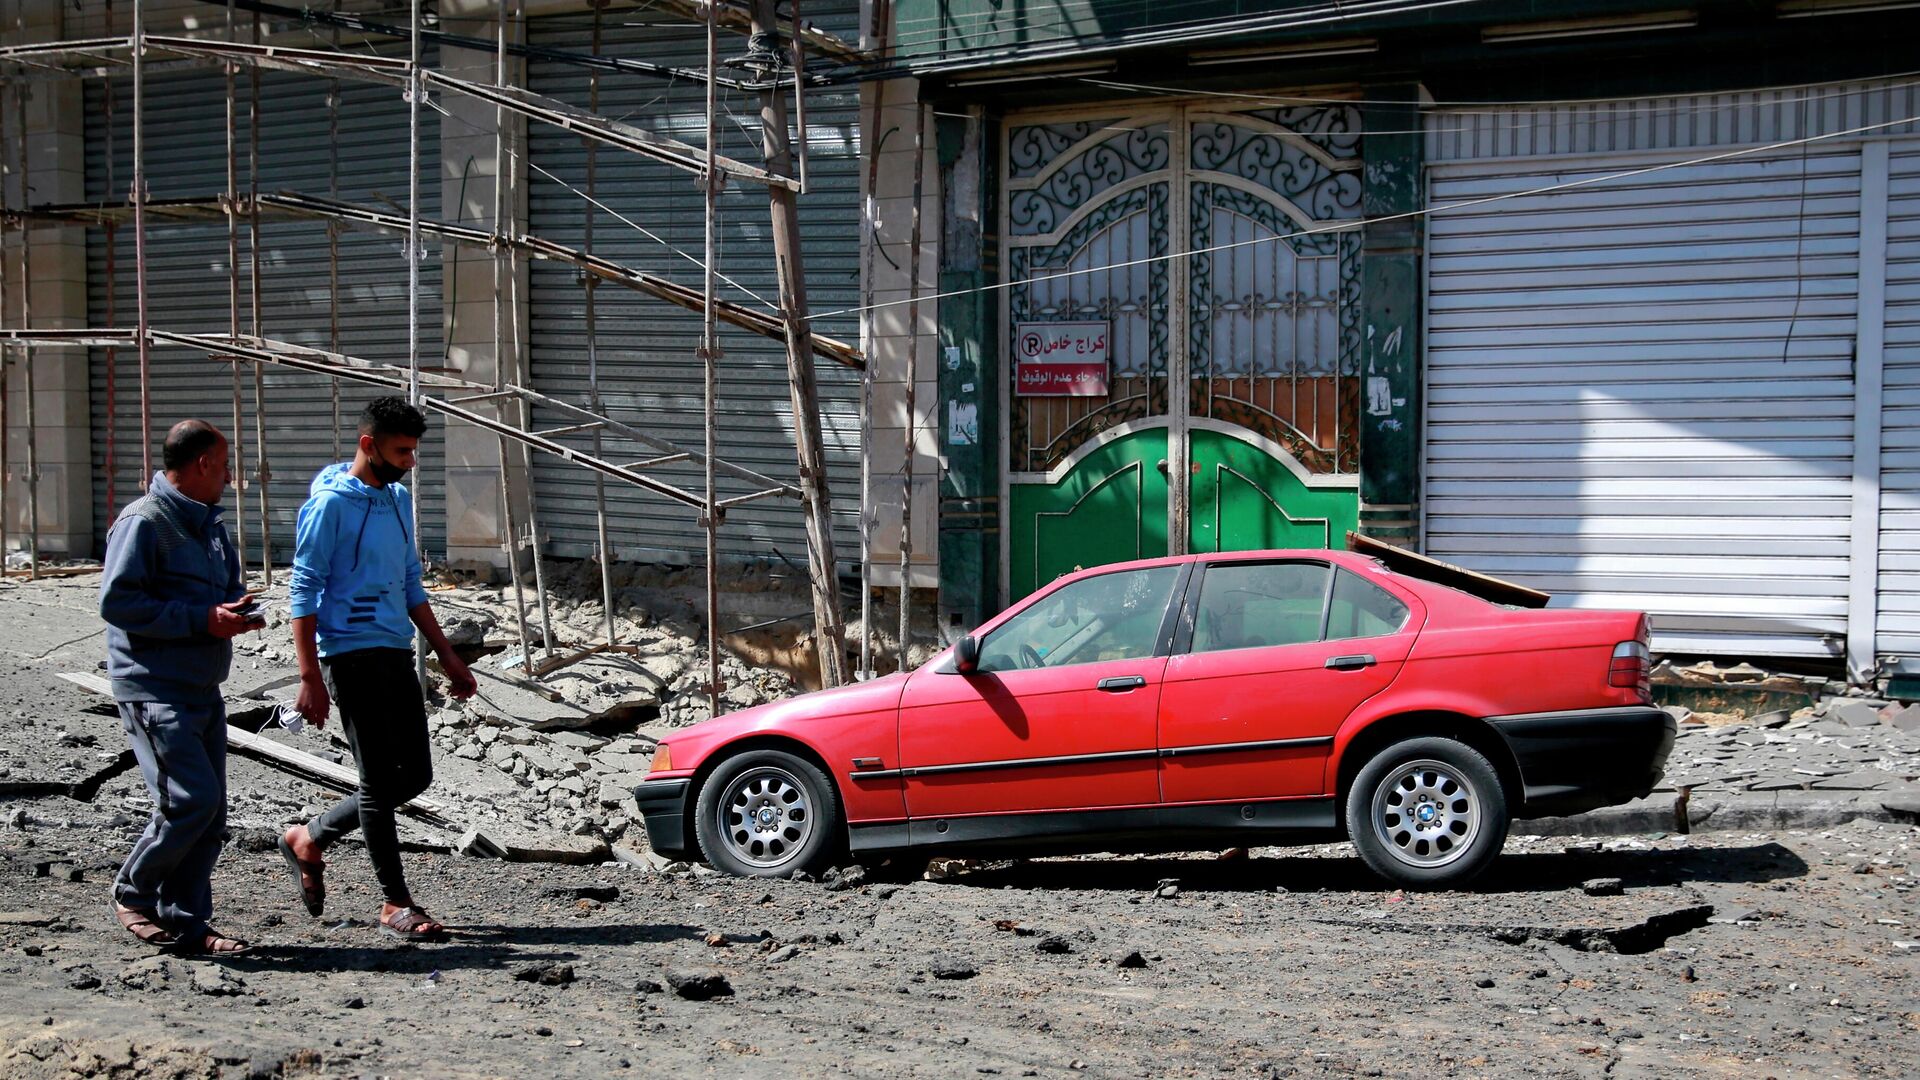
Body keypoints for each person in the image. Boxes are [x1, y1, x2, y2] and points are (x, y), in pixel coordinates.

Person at [278, 396, 476, 941]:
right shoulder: (328, 507)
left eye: (414, 451)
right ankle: (395, 903)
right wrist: (309, 677)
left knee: (414, 776)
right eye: (401, 451)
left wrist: (446, 653)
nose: (410, 461)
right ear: (369, 445)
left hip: (393, 650)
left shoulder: (396, 499)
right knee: (374, 780)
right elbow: (303, 590)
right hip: (348, 653)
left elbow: (411, 581)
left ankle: (310, 836)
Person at [100, 420, 263, 955]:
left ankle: (188, 923)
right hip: (155, 688)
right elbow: (119, 603)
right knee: (188, 802)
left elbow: (226, 591)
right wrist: (201, 619)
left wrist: (235, 612)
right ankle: (133, 892)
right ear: (201, 465)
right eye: (224, 465)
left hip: (201, 687)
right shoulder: (144, 522)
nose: (230, 475)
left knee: (211, 815)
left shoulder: (211, 527)